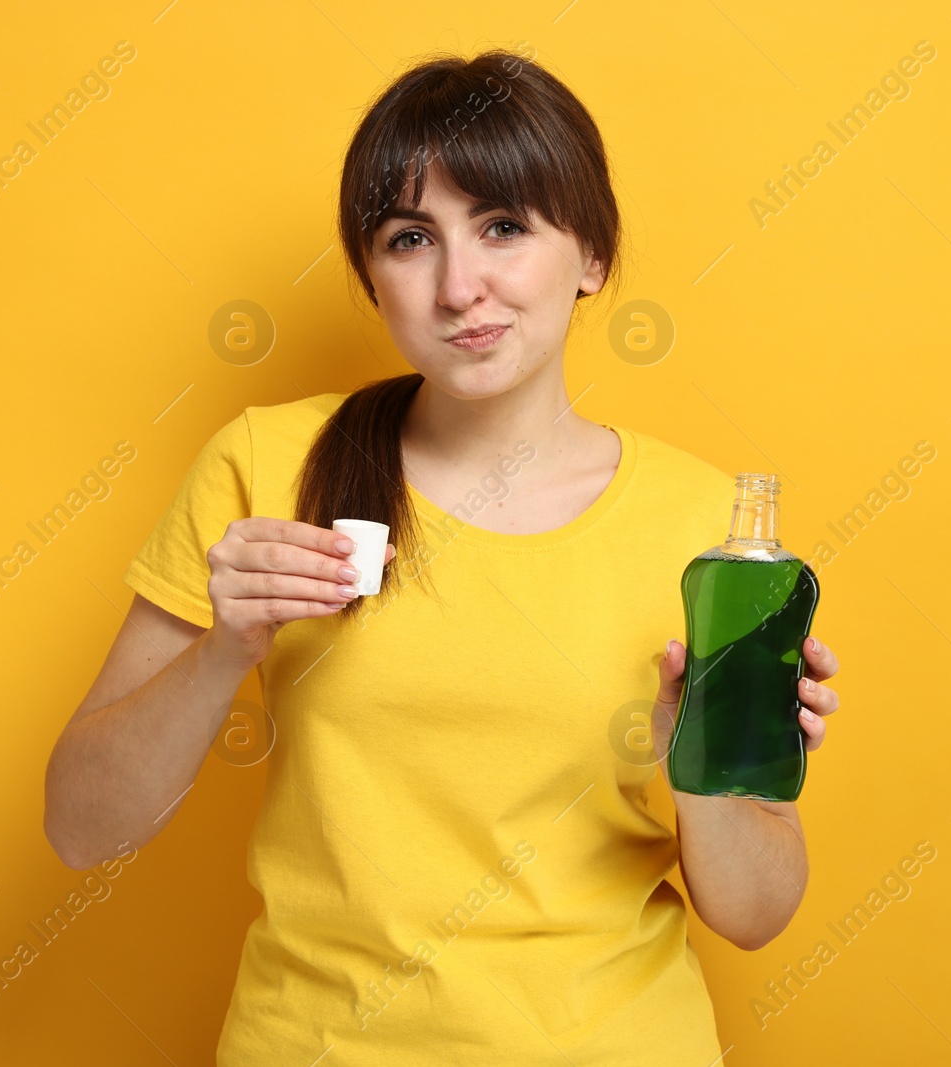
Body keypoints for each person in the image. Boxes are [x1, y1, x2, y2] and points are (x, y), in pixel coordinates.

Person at [43, 47, 841, 1065]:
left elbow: (755, 911)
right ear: (372, 279)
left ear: (591, 255)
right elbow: (80, 827)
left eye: (503, 226)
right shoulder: (267, 466)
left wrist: (699, 759)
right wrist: (221, 652)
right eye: (409, 237)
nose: (460, 285)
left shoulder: (709, 535)